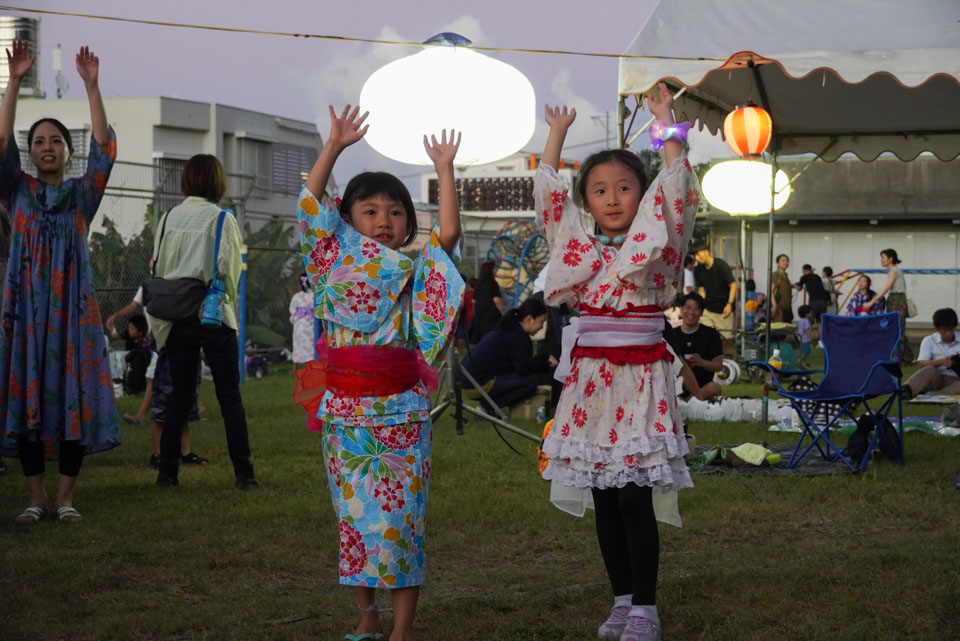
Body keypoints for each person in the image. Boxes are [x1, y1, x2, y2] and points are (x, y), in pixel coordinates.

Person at [536, 83, 699, 641]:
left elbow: (678, 193)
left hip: (640, 378)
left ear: (641, 193)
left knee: (634, 493)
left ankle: (647, 608)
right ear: (588, 199)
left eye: (624, 187)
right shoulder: (575, 243)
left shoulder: (659, 242)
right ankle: (622, 600)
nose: (611, 198)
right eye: (600, 190)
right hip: (590, 381)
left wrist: (666, 126)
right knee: (605, 494)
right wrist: (556, 135)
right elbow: (551, 200)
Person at [295, 105, 464, 641]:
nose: (384, 221)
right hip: (345, 415)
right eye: (369, 211)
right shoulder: (328, 263)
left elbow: (451, 234)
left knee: (401, 523)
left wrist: (444, 169)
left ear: (407, 224)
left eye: (394, 212)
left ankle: (402, 629)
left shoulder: (416, 273)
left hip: (401, 414)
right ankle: (367, 615)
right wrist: (334, 146)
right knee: (354, 521)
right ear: (347, 220)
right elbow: (308, 206)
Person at [0, 41, 120, 524]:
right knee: (27, 397)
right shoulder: (16, 191)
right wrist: (13, 82)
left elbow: (105, 151)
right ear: (30, 154)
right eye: (39, 142)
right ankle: (36, 499)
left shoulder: (81, 196)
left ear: (67, 151)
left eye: (56, 141)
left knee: (73, 399)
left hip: (73, 314)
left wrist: (92, 85)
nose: (47, 147)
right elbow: (0, 142)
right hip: (27, 314)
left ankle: (66, 498)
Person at [147, 154, 256, 489]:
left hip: (176, 317)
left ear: (187, 181)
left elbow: (158, 266)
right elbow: (229, 270)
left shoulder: (167, 218)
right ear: (218, 183)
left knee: (179, 397)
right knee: (229, 398)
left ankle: (167, 473)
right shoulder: (222, 218)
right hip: (212, 316)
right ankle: (244, 475)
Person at [105, 290, 206, 468]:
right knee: (160, 407)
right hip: (162, 350)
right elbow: (135, 306)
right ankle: (157, 453)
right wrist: (116, 315)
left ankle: (185, 451)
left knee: (181, 404)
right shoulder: (151, 286)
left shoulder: (179, 282)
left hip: (181, 348)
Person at [461, 297, 558, 410]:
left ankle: (487, 405)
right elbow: (523, 368)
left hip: (464, 382)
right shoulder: (519, 337)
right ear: (529, 319)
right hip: (476, 384)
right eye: (541, 322)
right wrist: (544, 358)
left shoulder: (508, 328)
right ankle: (486, 407)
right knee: (530, 383)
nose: (541, 327)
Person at [667, 293, 723, 400]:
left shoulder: (711, 334)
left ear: (701, 312)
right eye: (687, 308)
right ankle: (690, 401)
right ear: (681, 310)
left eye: (696, 309)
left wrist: (701, 362)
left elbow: (718, 365)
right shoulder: (672, 334)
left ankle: (688, 400)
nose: (691, 312)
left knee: (715, 387)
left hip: (703, 386)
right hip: (677, 385)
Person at [865, 248, 913, 363]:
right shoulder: (892, 271)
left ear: (890, 259)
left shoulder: (894, 271)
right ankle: (906, 357)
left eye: (883, 257)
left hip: (897, 301)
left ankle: (899, 358)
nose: (881, 260)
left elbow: (886, 288)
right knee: (896, 328)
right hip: (894, 300)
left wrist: (872, 302)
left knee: (897, 328)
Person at [902, 308, 960, 399]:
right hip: (936, 377)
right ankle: (906, 390)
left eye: (951, 329)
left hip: (956, 379)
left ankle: (933, 395)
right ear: (937, 328)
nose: (948, 333)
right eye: (944, 330)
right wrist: (941, 362)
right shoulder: (929, 340)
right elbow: (922, 364)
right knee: (929, 369)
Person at [692, 241, 737, 342]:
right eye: (694, 256)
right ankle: (707, 358)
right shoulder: (698, 270)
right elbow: (701, 289)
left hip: (723, 311)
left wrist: (729, 304)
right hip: (707, 310)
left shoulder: (721, 265)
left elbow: (733, 285)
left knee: (725, 342)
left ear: (707, 252)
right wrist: (700, 305)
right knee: (705, 339)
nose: (696, 258)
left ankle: (726, 358)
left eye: (698, 254)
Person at [467, 259, 504, 344]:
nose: (496, 271)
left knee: (482, 341)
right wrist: (503, 313)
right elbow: (496, 300)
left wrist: (475, 314)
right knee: (493, 340)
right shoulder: (493, 283)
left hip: (480, 316)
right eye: (494, 269)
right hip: (492, 317)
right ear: (490, 271)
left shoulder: (479, 284)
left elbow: (474, 302)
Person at [289, 272, 315, 369]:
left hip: (299, 324)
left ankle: (295, 366)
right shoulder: (315, 296)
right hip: (312, 325)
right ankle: (312, 364)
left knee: (297, 346)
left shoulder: (297, 297)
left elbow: (292, 310)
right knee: (311, 346)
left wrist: (295, 319)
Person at [770, 253, 793, 323]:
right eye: (782, 261)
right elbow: (771, 291)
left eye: (787, 261)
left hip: (787, 307)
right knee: (779, 329)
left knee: (786, 328)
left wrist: (794, 286)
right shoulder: (775, 275)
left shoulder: (785, 276)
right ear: (777, 263)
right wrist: (774, 305)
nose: (785, 262)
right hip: (779, 307)